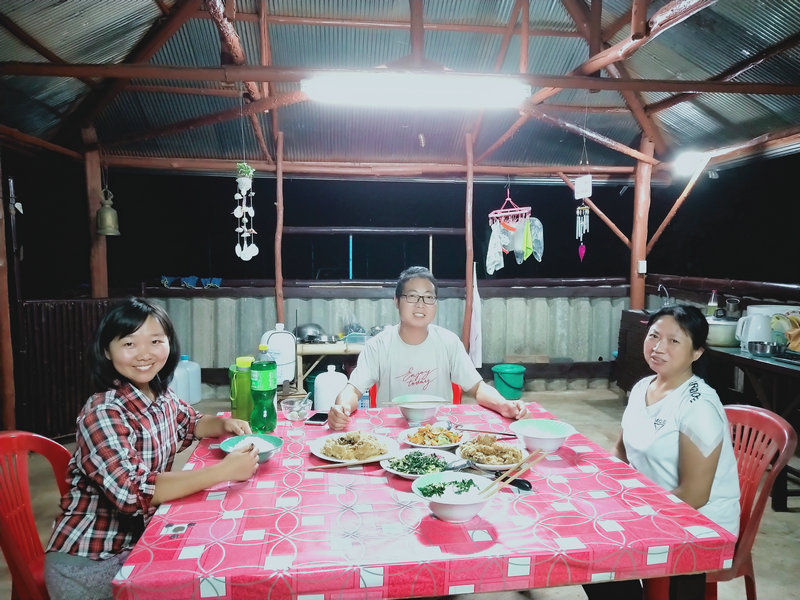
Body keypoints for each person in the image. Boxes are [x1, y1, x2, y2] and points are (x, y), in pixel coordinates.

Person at [44, 298, 260, 600]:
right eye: (129, 344)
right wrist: (223, 471)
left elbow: (192, 422)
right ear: (106, 351)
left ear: (169, 343)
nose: (144, 354)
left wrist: (224, 424)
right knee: (212, 579)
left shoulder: (159, 394)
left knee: (224, 547)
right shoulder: (103, 411)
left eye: (155, 341)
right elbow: (133, 493)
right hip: (92, 564)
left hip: (140, 540)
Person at [584, 305, 740, 600]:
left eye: (674, 340)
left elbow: (695, 495)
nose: (658, 347)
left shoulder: (698, 407)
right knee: (589, 536)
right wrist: (604, 494)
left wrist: (635, 516)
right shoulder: (643, 387)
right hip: (653, 504)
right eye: (654, 336)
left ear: (697, 352)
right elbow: (621, 451)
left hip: (699, 522)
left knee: (603, 546)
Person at [328, 266, 528, 430]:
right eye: (412, 296)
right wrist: (341, 408)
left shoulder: (449, 342)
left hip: (439, 434)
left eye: (428, 297)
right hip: (391, 434)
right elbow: (352, 390)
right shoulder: (378, 346)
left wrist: (504, 405)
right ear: (396, 301)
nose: (421, 304)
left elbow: (478, 388)